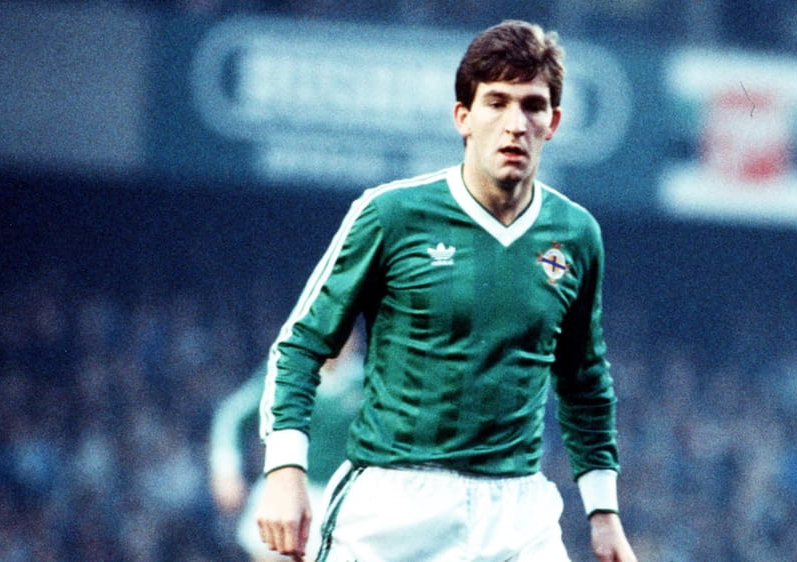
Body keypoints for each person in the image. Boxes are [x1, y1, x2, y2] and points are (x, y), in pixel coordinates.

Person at [256, 19, 637, 562]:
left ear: (552, 123)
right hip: (393, 504)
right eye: (496, 102)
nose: (515, 124)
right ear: (463, 117)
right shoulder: (391, 214)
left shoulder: (576, 234)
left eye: (532, 106)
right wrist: (284, 472)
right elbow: (299, 348)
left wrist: (604, 516)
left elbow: (584, 382)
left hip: (517, 510)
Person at [209, 334, 364, 561]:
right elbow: (233, 415)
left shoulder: (366, 380)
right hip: (285, 486)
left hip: (340, 500)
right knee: (266, 554)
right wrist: (226, 471)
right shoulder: (288, 373)